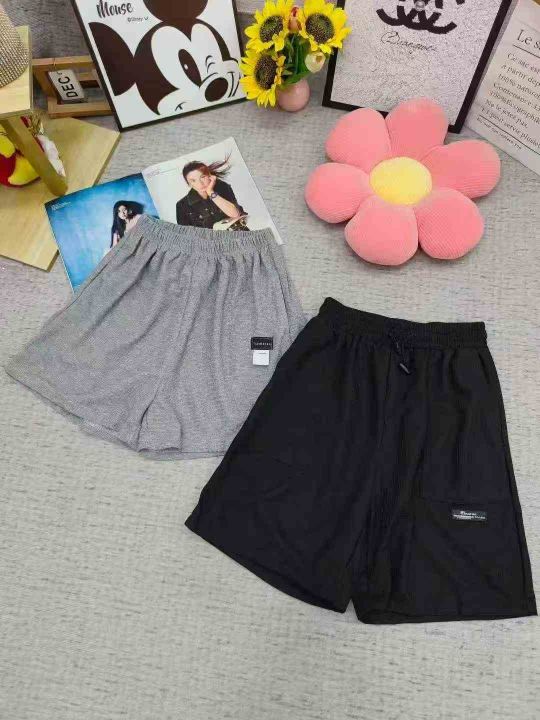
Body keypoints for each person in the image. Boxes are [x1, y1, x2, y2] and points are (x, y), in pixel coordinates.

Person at [176, 158, 248, 230]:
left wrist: (210, 192)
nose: (200, 183)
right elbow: (185, 234)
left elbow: (235, 214)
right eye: (193, 181)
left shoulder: (222, 187)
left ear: (209, 176)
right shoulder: (182, 205)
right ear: (189, 184)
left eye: (203, 177)